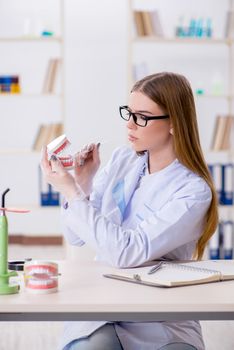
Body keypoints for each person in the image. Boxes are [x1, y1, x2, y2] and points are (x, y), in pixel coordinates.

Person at [41, 72, 218, 350]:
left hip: (160, 320)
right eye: (129, 113)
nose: (130, 125)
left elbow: (127, 252)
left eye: (142, 117)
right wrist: (83, 185)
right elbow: (76, 237)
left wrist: (71, 192)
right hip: (106, 306)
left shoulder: (193, 190)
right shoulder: (123, 159)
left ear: (174, 123)